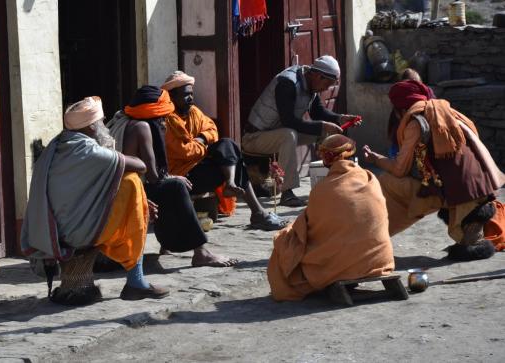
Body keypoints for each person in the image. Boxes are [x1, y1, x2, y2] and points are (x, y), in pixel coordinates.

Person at [21, 96, 169, 304]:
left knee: (129, 190)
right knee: (131, 182)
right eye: (101, 123)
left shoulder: (61, 143)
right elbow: (141, 165)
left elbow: (94, 189)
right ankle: (135, 282)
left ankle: (135, 279)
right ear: (91, 127)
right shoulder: (86, 150)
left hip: (55, 229)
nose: (104, 128)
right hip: (72, 233)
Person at [363, 79, 505, 261]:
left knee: (387, 182)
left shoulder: (416, 122)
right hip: (481, 185)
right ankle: (469, 234)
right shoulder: (449, 112)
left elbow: (399, 169)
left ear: (401, 108)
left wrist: (376, 158)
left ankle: (372, 237)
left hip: (458, 191)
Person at [107, 86, 238, 267]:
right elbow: (153, 176)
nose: (163, 121)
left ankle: (168, 243)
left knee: (173, 185)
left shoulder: (122, 119)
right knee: (176, 187)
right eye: (162, 116)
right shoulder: (142, 127)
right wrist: (172, 178)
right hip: (127, 189)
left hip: (123, 186)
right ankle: (200, 252)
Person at [267, 134, 395, 301]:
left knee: (284, 244)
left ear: (326, 159)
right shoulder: (371, 179)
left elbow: (310, 230)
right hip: (380, 261)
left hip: (342, 265)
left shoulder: (322, 190)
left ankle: (335, 272)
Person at [161, 71, 287, 231]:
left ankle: (234, 185)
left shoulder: (193, 112)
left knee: (228, 144)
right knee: (236, 161)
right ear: (172, 97)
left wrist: (200, 139)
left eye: (191, 94)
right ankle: (256, 212)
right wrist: (205, 144)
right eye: (186, 95)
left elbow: (212, 129)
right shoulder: (167, 120)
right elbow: (185, 152)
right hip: (183, 176)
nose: (190, 98)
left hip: (198, 165)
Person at [242, 55, 360, 207]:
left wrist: (341, 118)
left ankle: (333, 181)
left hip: (277, 133)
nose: (326, 89)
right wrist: (323, 125)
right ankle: (287, 192)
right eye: (327, 84)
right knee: (289, 135)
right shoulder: (288, 83)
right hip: (254, 138)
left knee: (323, 133)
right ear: (318, 76)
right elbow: (289, 121)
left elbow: (318, 113)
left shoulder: (311, 84)